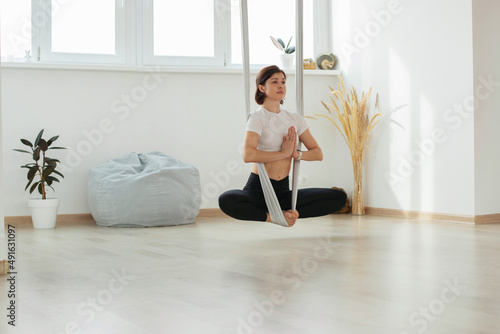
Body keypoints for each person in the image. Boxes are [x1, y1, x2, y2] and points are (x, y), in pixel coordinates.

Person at [218, 65, 347, 227]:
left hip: (283, 193)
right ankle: (272, 217)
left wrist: (296, 154)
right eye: (274, 82)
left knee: (339, 198)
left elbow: (317, 153)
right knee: (226, 199)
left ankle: (290, 214)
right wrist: (284, 153)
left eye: (283, 82)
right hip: (258, 190)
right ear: (261, 88)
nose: (281, 85)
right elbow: (248, 155)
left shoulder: (295, 119)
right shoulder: (258, 117)